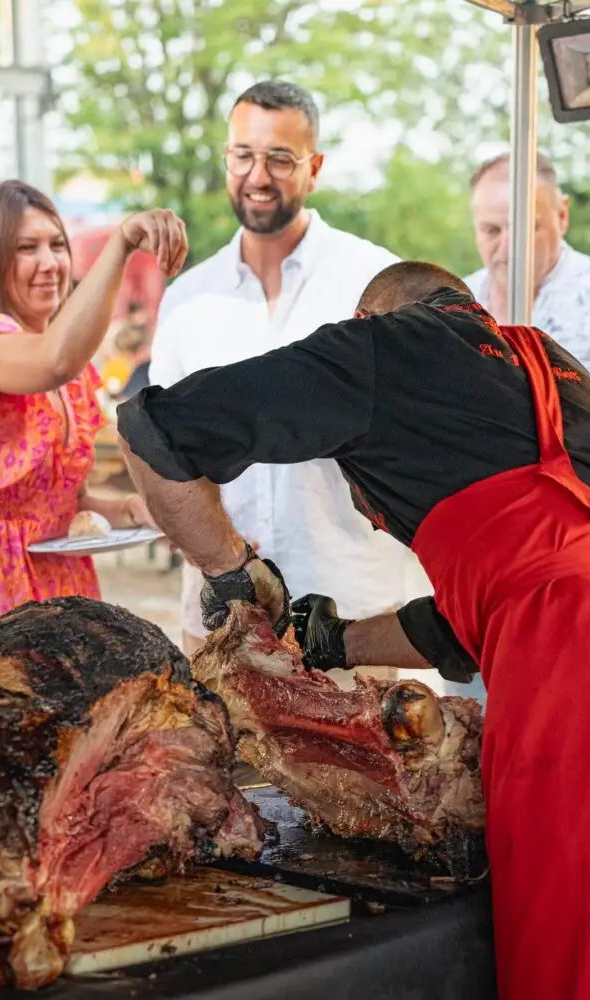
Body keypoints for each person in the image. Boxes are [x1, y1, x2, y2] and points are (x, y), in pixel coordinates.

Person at [117, 260, 590, 1000]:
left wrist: (231, 573)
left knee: (584, 987)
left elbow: (156, 434)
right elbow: (514, 589)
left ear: (377, 316)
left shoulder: (383, 346)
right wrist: (334, 639)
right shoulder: (549, 367)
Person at [148, 79, 409, 662]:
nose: (257, 175)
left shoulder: (374, 281)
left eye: (279, 158)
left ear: (314, 168)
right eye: (242, 155)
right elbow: (165, 453)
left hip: (355, 614)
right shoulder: (190, 297)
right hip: (224, 617)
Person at [0, 179, 186, 622]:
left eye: (57, 245)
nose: (50, 264)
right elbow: (56, 359)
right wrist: (121, 243)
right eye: (27, 248)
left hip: (64, 588)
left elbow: (63, 504)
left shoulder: (64, 365)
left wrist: (130, 512)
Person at [465, 151, 590, 459]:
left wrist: (557, 442)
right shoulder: (457, 302)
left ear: (562, 215)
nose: (508, 246)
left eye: (525, 228)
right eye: (491, 231)